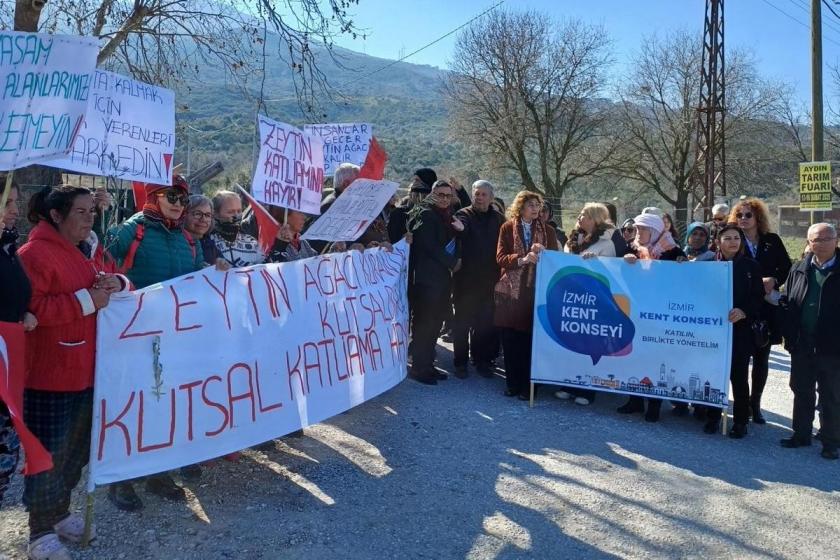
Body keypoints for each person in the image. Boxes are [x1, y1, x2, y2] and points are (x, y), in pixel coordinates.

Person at [18, 186, 129, 559]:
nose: (89, 217)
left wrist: (119, 284)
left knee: (77, 452)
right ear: (55, 216)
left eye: (90, 211)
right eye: (80, 212)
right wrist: (87, 302)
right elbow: (30, 310)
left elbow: (114, 277)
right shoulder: (34, 254)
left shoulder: (87, 251)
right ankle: (39, 531)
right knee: (48, 455)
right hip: (51, 376)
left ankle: (60, 512)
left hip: (86, 373)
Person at [105, 176, 205, 511]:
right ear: (154, 196)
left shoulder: (187, 239)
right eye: (172, 196)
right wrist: (104, 217)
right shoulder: (132, 231)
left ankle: (158, 472)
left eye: (183, 198)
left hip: (172, 337)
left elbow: (196, 275)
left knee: (164, 405)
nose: (179, 203)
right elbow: (99, 261)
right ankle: (120, 480)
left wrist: (215, 271)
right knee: (130, 407)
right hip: (133, 337)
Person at [779, 223, 840, 459]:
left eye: (827, 238)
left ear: (836, 240)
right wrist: (789, 333)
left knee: (831, 395)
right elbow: (788, 300)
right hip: (802, 343)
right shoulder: (798, 268)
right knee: (801, 390)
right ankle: (801, 434)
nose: (822, 243)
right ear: (809, 242)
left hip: (833, 346)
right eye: (816, 239)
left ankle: (831, 441)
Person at [617, 213, 686, 421]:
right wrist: (624, 262)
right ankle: (635, 400)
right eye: (636, 229)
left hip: (661, 315)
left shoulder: (673, 252)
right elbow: (618, 274)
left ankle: (654, 403)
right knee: (635, 355)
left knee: (657, 359)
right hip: (636, 311)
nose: (638, 233)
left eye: (643, 230)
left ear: (655, 231)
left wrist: (684, 266)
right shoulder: (632, 250)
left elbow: (686, 278)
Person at [730, 198, 791, 424]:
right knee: (740, 360)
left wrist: (774, 279)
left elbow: (786, 266)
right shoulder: (732, 239)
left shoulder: (771, 241)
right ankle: (742, 404)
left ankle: (756, 404)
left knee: (762, 358)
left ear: (758, 217)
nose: (743, 219)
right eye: (739, 215)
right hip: (741, 308)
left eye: (748, 215)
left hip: (765, 308)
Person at [494, 191, 559, 400]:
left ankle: (528, 387)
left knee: (531, 341)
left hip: (535, 292)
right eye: (531, 205)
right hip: (511, 293)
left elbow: (555, 261)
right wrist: (522, 259)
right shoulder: (506, 227)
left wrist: (544, 254)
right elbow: (501, 257)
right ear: (520, 207)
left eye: (538, 205)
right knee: (511, 340)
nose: (535, 209)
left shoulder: (547, 231)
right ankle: (512, 384)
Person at [701, 223, 764, 437]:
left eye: (736, 238)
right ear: (718, 242)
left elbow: (758, 298)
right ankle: (712, 416)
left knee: (738, 377)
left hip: (740, 330)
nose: (733, 242)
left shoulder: (751, 267)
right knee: (714, 373)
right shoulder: (708, 264)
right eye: (727, 238)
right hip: (713, 330)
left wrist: (744, 311)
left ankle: (740, 421)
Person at [555, 203, 617, 406]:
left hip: (592, 301)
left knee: (589, 344)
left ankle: (587, 389)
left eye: (586, 215)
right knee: (571, 342)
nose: (580, 217)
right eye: (580, 214)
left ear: (596, 220)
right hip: (572, 299)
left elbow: (609, 273)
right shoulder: (572, 241)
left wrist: (596, 262)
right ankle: (568, 383)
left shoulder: (606, 244)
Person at [0, 181, 37, 505]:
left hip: (7, 373)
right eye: (7, 202)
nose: (14, 210)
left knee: (5, 461)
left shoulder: (9, 247)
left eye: (15, 202)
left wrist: (23, 313)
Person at [406, 180, 463, 385]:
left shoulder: (448, 216)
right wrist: (452, 262)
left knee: (435, 325)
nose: (444, 199)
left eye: (448, 195)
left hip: (441, 280)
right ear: (432, 194)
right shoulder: (425, 215)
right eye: (440, 194)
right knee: (424, 325)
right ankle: (419, 368)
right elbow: (429, 246)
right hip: (426, 280)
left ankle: (429, 365)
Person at [451, 180, 506, 378]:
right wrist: (461, 229)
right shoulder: (463, 215)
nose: (479, 197)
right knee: (462, 324)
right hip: (465, 281)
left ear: (491, 197)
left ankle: (481, 361)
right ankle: (460, 363)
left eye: (484, 194)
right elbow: (462, 228)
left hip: (490, 281)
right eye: (477, 194)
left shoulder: (499, 219)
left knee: (485, 325)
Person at [207, 190, 267, 267]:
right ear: (216, 214)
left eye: (239, 211)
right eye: (230, 212)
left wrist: (280, 244)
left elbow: (265, 269)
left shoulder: (252, 242)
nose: (236, 216)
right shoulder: (208, 243)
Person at [388, 168, 437, 243]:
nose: (414, 184)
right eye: (414, 180)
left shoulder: (436, 211)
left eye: (417, 180)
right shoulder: (399, 213)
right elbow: (393, 239)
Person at [183, 194, 220, 265]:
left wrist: (221, 263)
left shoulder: (209, 243)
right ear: (184, 215)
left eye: (208, 215)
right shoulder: (177, 243)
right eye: (197, 214)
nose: (203, 219)